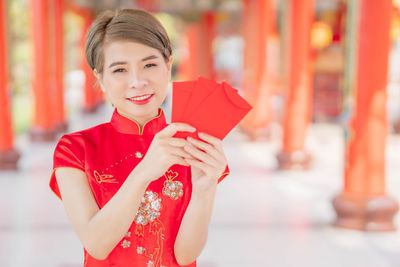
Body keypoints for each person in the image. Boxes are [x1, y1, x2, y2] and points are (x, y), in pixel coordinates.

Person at [49, 8, 230, 267]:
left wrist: (204, 190)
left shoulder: (192, 143)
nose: (137, 81)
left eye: (150, 65)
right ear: (100, 79)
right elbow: (97, 245)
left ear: (169, 66)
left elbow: (185, 256)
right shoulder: (75, 150)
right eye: (119, 70)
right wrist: (145, 170)